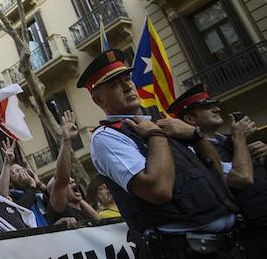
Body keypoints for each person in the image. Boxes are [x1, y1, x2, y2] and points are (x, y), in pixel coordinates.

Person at [83, 49, 242, 259]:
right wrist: (156, 135)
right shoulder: (107, 137)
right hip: (185, 251)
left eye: (127, 78)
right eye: (114, 84)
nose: (127, 86)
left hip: (228, 246)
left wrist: (196, 135)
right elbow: (158, 190)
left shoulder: (162, 124)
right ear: (99, 100)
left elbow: (217, 174)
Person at [168, 84, 266, 258]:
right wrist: (240, 139)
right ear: (190, 120)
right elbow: (242, 179)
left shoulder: (232, 141)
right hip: (252, 235)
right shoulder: (193, 153)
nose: (217, 108)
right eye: (207, 107)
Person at [45, 111, 99, 227]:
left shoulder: (81, 207)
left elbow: (97, 219)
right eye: (67, 183)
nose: (72, 181)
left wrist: (79, 200)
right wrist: (66, 141)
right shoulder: (58, 206)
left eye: (72, 180)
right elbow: (62, 178)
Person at [0, 142, 49, 227]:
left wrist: (38, 183)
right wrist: (32, 186)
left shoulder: (38, 196)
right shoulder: (13, 195)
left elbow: (54, 198)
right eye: (14, 173)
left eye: (20, 170)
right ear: (10, 181)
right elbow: (22, 208)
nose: (19, 173)